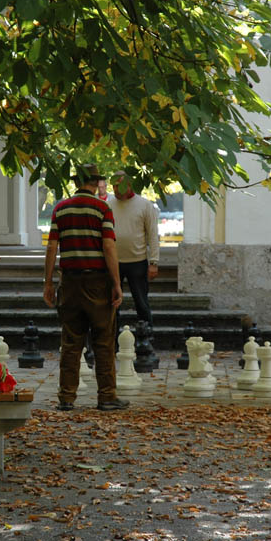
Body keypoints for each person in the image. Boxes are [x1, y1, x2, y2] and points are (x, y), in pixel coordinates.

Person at [43, 164, 129, 412]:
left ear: (77, 182)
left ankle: (66, 397)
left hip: (69, 282)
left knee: (71, 341)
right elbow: (109, 248)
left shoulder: (60, 209)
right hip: (97, 282)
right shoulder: (102, 209)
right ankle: (107, 396)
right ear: (96, 183)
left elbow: (51, 248)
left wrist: (48, 283)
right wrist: (115, 283)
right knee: (103, 340)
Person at [107, 172, 160, 329]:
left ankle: (147, 337)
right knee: (112, 304)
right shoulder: (108, 205)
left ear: (129, 184)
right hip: (113, 262)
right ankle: (112, 341)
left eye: (119, 185)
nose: (116, 189)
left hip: (137, 262)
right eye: (114, 186)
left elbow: (152, 235)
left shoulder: (145, 205)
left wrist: (154, 262)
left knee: (141, 303)